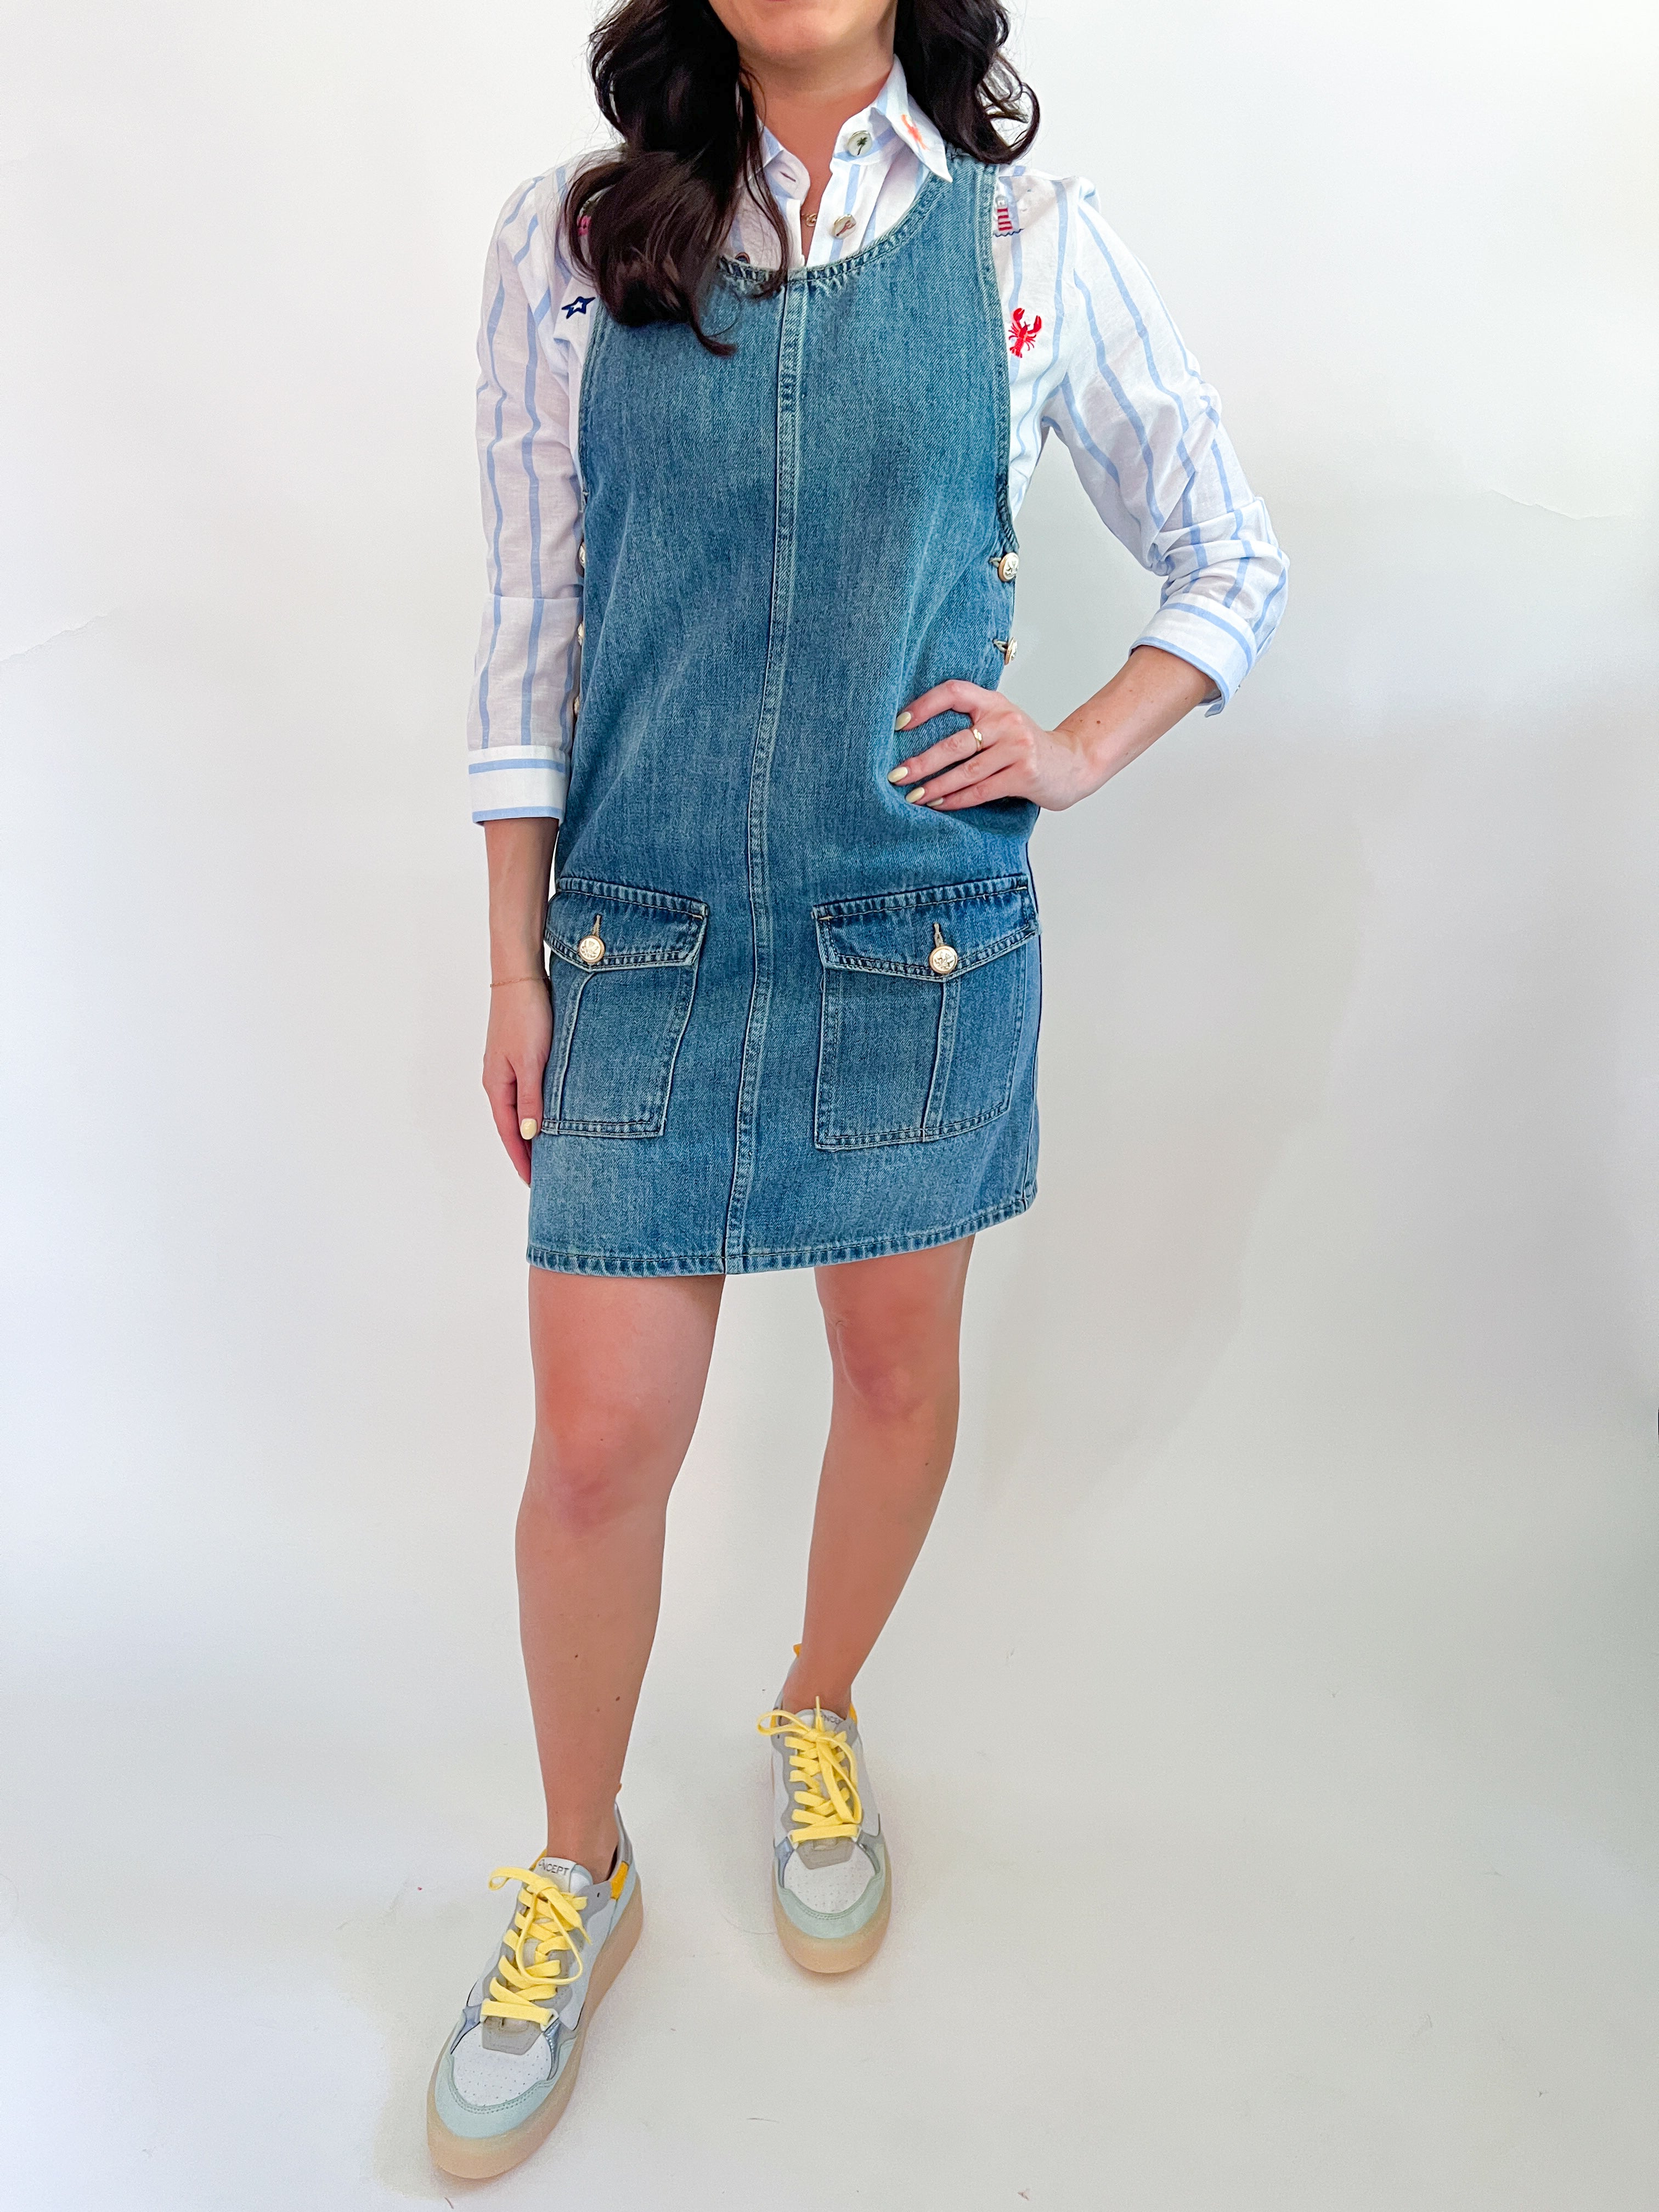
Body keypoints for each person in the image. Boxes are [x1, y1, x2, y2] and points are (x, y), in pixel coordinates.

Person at [429, 0, 1286, 2178]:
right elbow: (533, 624)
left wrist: (1074, 747)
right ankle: (580, 1864)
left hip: (910, 940)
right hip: (636, 946)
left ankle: (814, 1707)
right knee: (596, 1454)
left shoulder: (1030, 241)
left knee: (896, 1380)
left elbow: (1230, 556)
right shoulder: (571, 244)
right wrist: (512, 958)